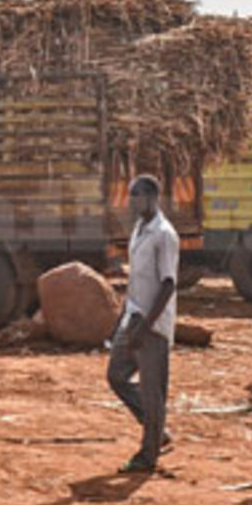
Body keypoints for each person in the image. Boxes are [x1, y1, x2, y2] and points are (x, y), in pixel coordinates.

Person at [107, 176, 180, 474]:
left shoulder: (164, 235)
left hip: (153, 324)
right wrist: (122, 321)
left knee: (153, 391)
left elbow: (168, 284)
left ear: (152, 197)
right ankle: (156, 429)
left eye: (137, 196)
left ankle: (148, 455)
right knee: (116, 375)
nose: (132, 201)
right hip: (133, 316)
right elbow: (136, 280)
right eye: (131, 196)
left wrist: (146, 326)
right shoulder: (139, 229)